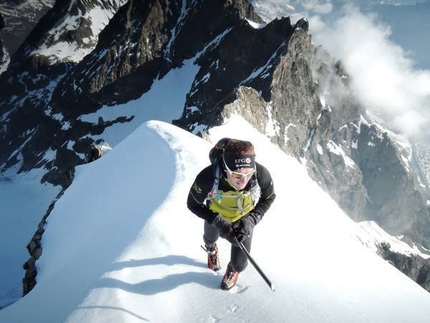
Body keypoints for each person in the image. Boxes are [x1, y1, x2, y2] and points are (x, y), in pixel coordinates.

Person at [187, 138, 276, 290]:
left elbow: (269, 197)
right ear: (224, 169)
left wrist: (251, 220)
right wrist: (218, 221)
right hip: (216, 214)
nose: (244, 181)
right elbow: (193, 204)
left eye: (249, 174)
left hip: (243, 220)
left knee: (240, 265)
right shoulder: (207, 177)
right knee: (210, 239)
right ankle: (211, 250)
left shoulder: (261, 173)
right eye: (237, 175)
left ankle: (233, 268)